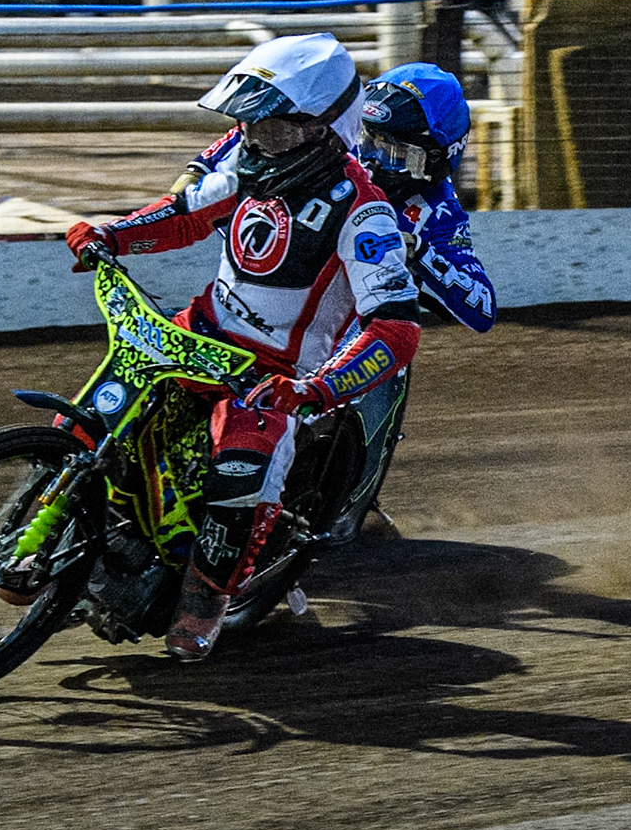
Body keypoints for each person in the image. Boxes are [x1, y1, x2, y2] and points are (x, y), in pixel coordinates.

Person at [63, 33, 422, 661]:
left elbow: (395, 328)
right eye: (249, 129)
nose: (255, 145)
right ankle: (45, 541)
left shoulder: (365, 215)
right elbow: (183, 214)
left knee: (243, 466)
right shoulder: (248, 172)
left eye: (273, 133)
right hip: (197, 334)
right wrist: (110, 235)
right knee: (90, 420)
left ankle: (203, 605)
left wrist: (315, 387)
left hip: (275, 375)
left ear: (325, 130)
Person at [357, 62, 497, 335]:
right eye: (370, 141)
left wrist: (420, 251)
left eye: (397, 153)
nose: (373, 162)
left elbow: (484, 311)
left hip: (362, 341)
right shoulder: (341, 149)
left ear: (435, 158)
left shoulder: (439, 213)